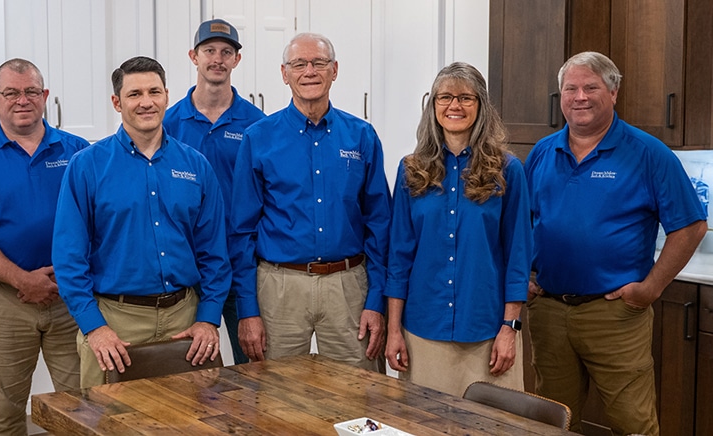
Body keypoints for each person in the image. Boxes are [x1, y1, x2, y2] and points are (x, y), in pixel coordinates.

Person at [525, 51, 707, 435]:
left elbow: (691, 226)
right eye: (570, 88)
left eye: (591, 87)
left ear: (613, 92)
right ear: (560, 96)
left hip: (615, 314)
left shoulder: (648, 153)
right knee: (551, 422)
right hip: (550, 312)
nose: (580, 97)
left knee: (633, 423)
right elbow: (522, 224)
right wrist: (523, 273)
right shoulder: (542, 152)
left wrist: (650, 288)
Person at [52, 56, 232, 389]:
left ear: (166, 95)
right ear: (117, 102)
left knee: (190, 421)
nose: (146, 102)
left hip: (185, 318)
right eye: (135, 94)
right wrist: (95, 328)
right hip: (116, 323)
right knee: (109, 422)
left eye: (154, 92)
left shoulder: (196, 166)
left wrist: (208, 319)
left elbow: (214, 253)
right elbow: (68, 258)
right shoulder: (86, 166)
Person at [229, 33, 391, 370]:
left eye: (318, 63)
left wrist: (377, 300)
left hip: (348, 284)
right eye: (298, 64)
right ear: (284, 73)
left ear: (334, 70)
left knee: (356, 393)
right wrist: (247, 310)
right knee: (276, 396)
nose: (309, 71)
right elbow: (241, 231)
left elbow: (380, 224)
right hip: (279, 286)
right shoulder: (258, 138)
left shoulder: (361, 136)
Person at [0, 58, 89, 435]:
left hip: (70, 297)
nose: (21, 100)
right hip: (5, 301)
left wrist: (68, 271)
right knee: (3, 412)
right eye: (11, 92)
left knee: (84, 407)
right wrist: (22, 279)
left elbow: (99, 220)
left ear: (45, 97)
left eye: (30, 91)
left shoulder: (79, 151)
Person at [383, 62, 531, 397]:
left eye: (466, 98)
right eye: (445, 97)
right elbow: (399, 257)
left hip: (488, 332)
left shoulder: (508, 170)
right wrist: (394, 330)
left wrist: (510, 328)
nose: (455, 106)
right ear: (432, 105)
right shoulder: (411, 170)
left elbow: (518, 257)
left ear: (481, 107)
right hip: (424, 331)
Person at [163, 18, 266, 365]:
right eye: (209, 50)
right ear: (194, 56)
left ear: (237, 60)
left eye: (226, 52)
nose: (217, 59)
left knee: (255, 370)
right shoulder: (169, 122)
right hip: (188, 272)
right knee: (190, 376)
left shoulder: (257, 124)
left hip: (243, 268)